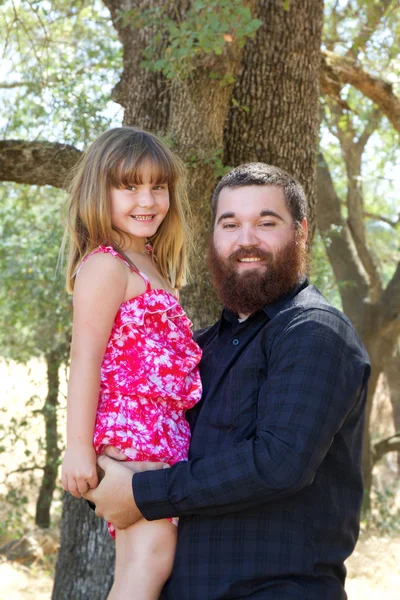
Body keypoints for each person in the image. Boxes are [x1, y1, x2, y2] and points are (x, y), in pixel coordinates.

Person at [85, 163, 370, 600]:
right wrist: (105, 474)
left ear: (302, 231)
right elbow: (145, 436)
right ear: (214, 238)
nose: (246, 240)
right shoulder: (198, 350)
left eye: (266, 222)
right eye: (230, 224)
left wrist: (144, 492)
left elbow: (279, 463)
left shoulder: (314, 332)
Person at [61, 126, 202, 600]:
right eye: (129, 185)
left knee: (158, 558)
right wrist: (78, 448)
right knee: (151, 556)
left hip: (166, 437)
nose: (147, 199)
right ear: (99, 192)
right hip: (132, 433)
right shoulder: (106, 265)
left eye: (158, 186)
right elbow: (85, 360)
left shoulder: (154, 265)